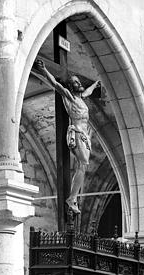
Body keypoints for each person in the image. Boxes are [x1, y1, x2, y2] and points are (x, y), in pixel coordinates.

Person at [33, 59, 101, 215]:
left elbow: (88, 92)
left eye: (78, 82)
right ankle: (71, 199)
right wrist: (44, 70)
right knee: (83, 164)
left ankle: (73, 198)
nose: (78, 84)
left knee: (83, 166)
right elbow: (56, 86)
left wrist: (95, 84)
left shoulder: (81, 98)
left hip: (85, 136)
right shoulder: (70, 97)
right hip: (76, 133)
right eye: (75, 83)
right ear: (71, 86)